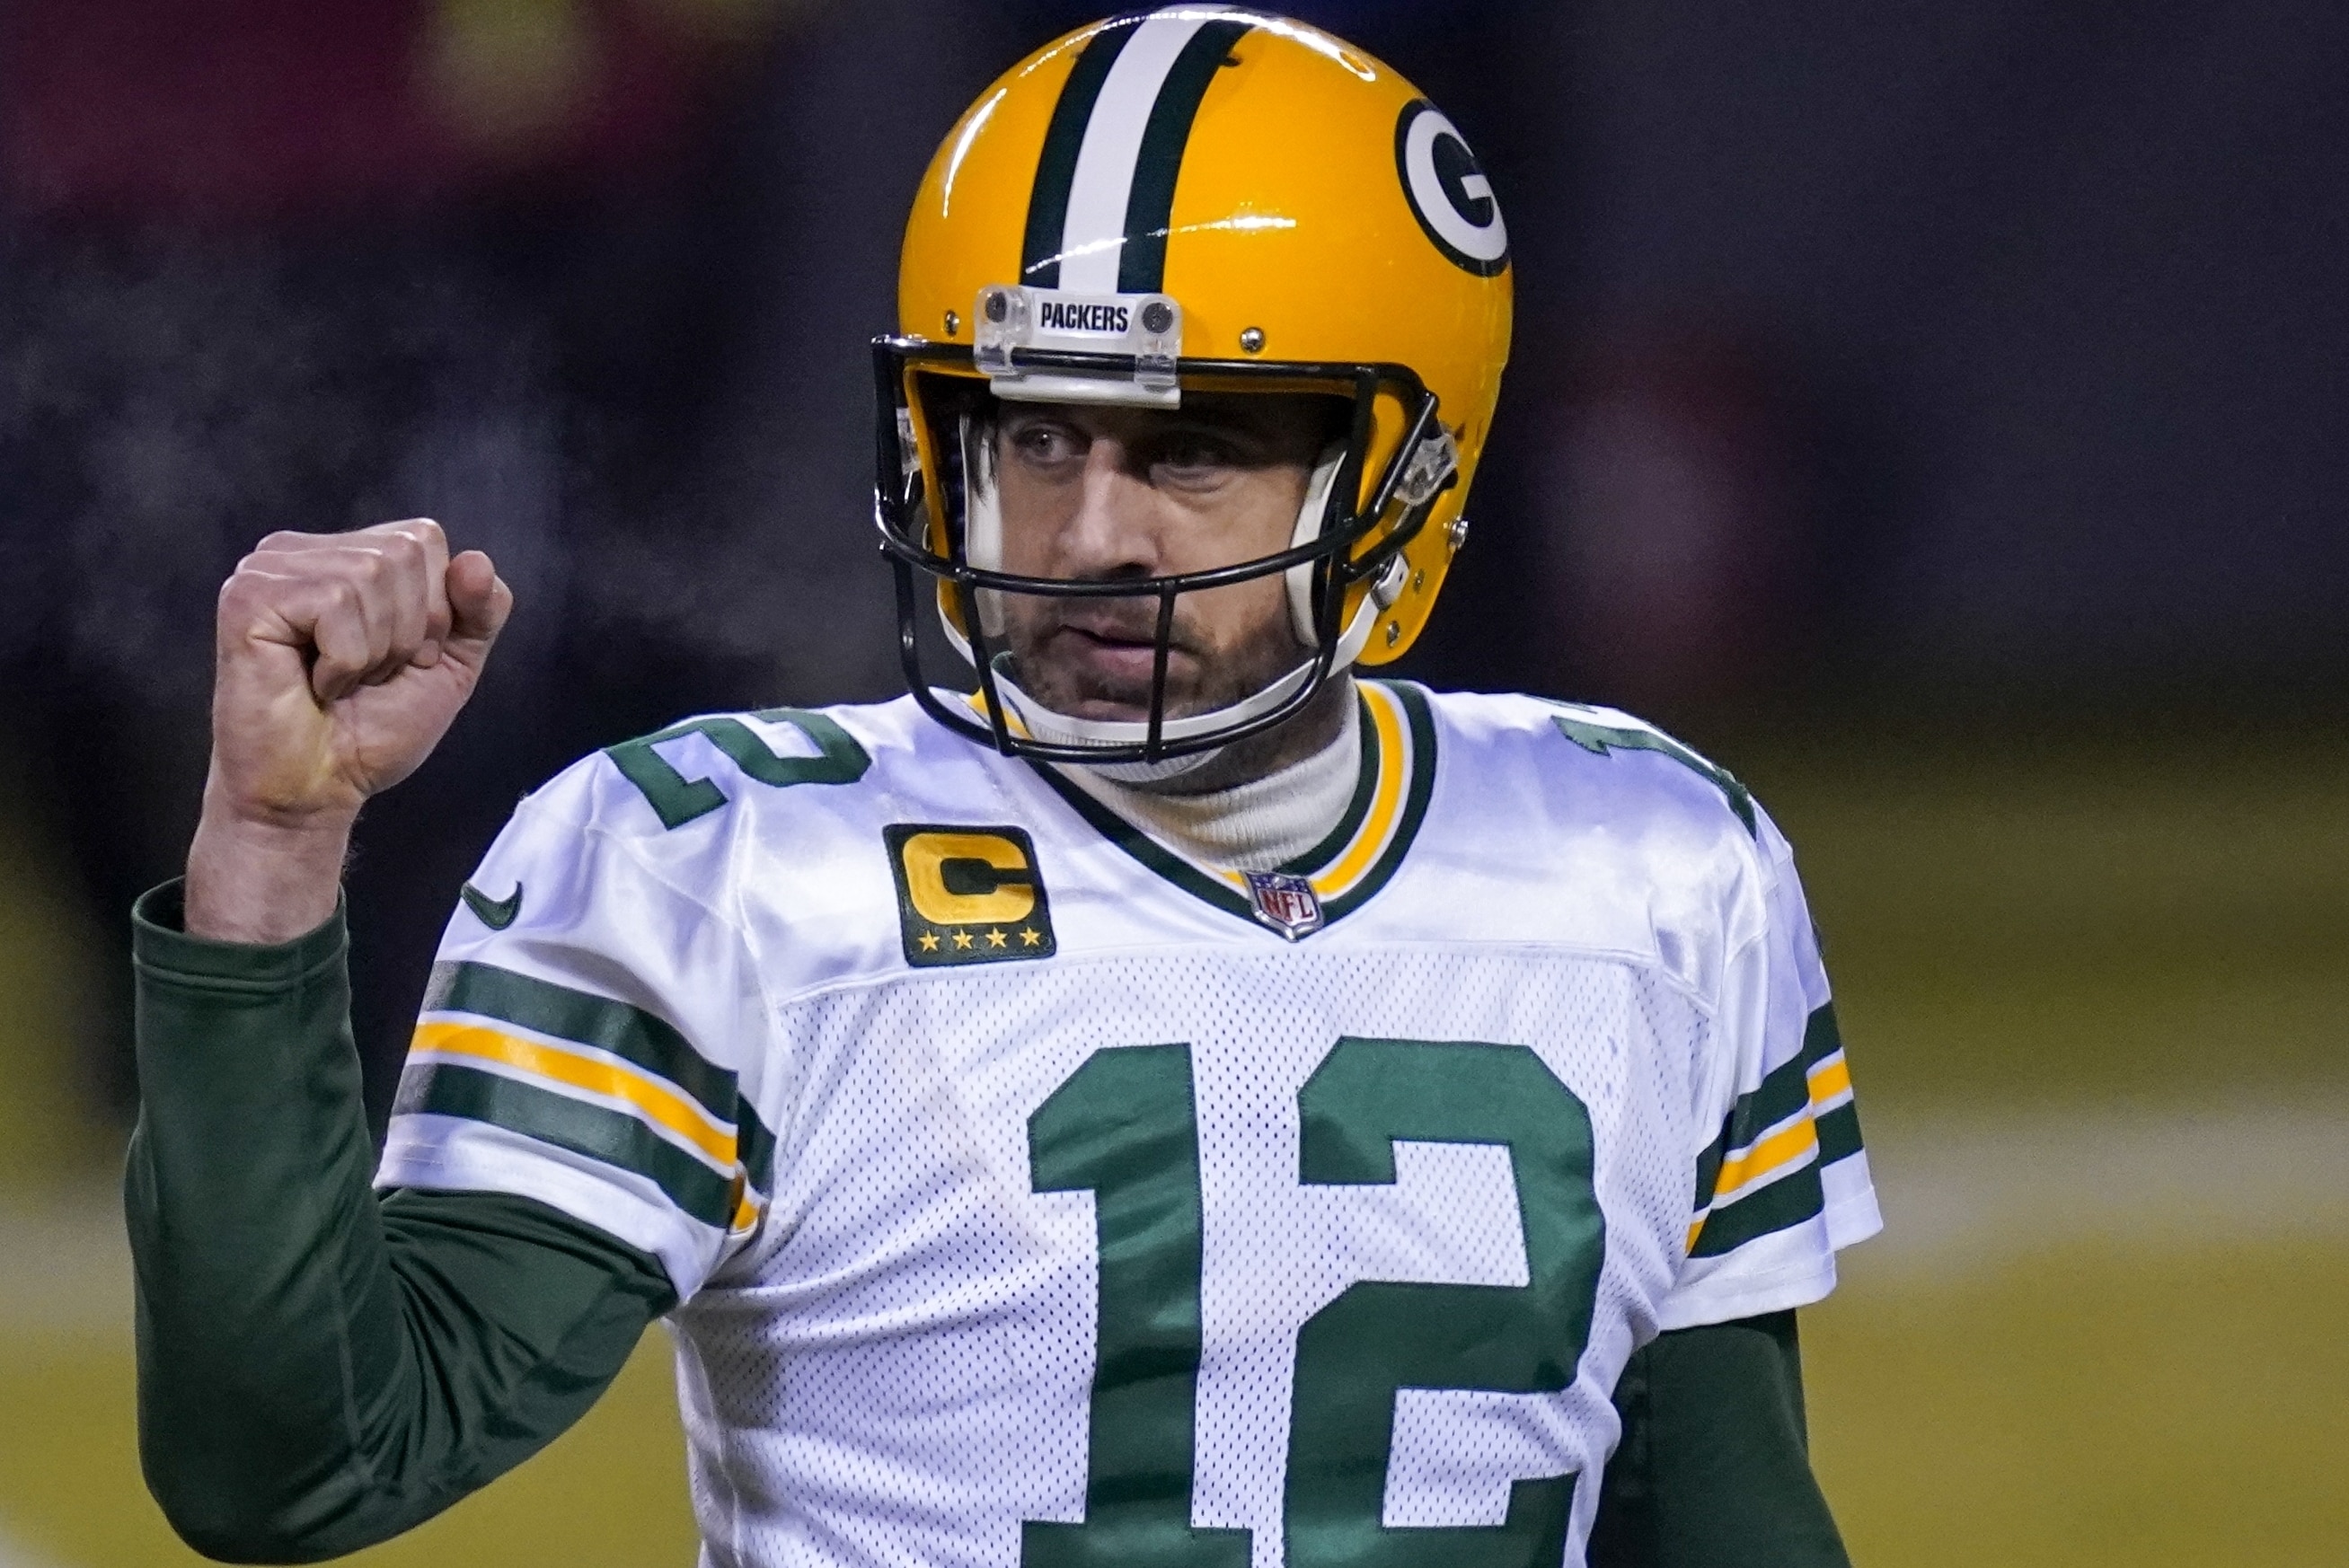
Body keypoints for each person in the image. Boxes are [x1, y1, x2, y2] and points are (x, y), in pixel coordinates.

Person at [127, 9, 1879, 1566]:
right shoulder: (718, 871)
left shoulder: (1655, 870)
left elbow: (1724, 1525)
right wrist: (271, 853)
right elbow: (296, 1465)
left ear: (1403, 479)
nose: (1093, 533)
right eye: (1036, 433)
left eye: (1193, 447)